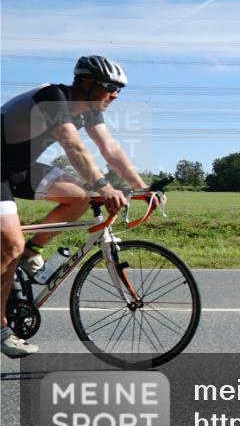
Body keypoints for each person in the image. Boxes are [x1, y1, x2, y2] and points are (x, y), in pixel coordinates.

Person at [1, 55, 156, 357]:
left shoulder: (89, 110)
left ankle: (31, 253)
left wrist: (142, 187)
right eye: (110, 87)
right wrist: (104, 186)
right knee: (9, 242)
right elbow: (73, 146)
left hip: (20, 166)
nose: (115, 95)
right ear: (86, 83)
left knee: (80, 197)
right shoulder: (52, 98)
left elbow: (110, 149)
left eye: (119, 90)